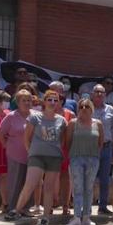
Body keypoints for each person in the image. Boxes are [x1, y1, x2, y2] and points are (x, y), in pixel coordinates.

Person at [6, 90, 67, 225]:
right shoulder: (35, 117)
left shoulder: (62, 120)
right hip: (37, 155)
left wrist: (56, 151)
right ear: (44, 101)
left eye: (55, 100)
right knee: (31, 183)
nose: (52, 103)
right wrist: (30, 151)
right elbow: (26, 137)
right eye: (49, 100)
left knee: (49, 188)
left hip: (54, 157)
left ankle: (45, 217)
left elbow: (62, 140)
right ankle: (16, 210)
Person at [63, 98, 103, 225]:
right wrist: (73, 154)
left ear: (92, 109)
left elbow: (100, 143)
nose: (84, 109)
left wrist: (94, 155)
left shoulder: (98, 124)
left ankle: (86, 216)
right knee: (78, 188)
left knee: (89, 188)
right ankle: (76, 217)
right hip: (76, 158)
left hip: (93, 159)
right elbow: (68, 142)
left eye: (87, 106)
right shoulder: (73, 123)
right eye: (81, 107)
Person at [0, 89, 34, 218]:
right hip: (15, 155)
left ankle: (25, 208)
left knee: (29, 182)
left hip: (32, 155)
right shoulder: (11, 116)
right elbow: (1, 133)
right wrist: (6, 147)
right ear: (18, 102)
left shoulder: (36, 115)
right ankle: (12, 208)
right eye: (23, 100)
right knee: (14, 182)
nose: (27, 103)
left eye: (29, 100)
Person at [49, 80, 75, 216]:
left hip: (65, 150)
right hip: (49, 151)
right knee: (50, 178)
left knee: (66, 178)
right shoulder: (45, 113)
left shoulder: (70, 114)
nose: (56, 100)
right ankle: (51, 204)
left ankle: (65, 205)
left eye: (59, 97)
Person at [90, 84, 113, 214]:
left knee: (105, 179)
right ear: (92, 94)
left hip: (106, 147)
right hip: (91, 147)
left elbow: (112, 130)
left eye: (102, 92)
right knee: (90, 177)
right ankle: (86, 206)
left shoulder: (110, 109)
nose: (99, 94)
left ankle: (103, 205)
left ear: (105, 94)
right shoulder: (87, 108)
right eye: (97, 92)